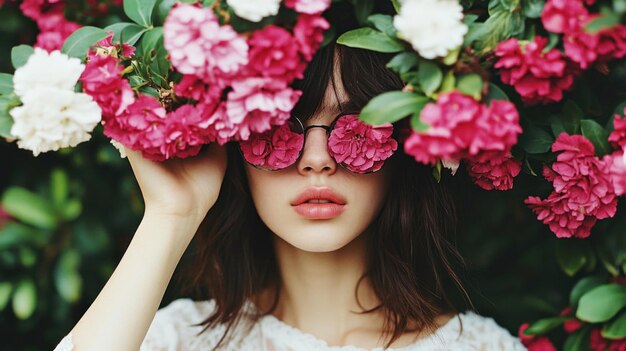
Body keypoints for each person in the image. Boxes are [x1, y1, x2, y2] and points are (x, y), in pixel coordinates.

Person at [53, 5, 526, 351]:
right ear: (235, 140)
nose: (317, 160)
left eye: (357, 122)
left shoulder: (480, 348)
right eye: (281, 126)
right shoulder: (174, 341)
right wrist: (172, 214)